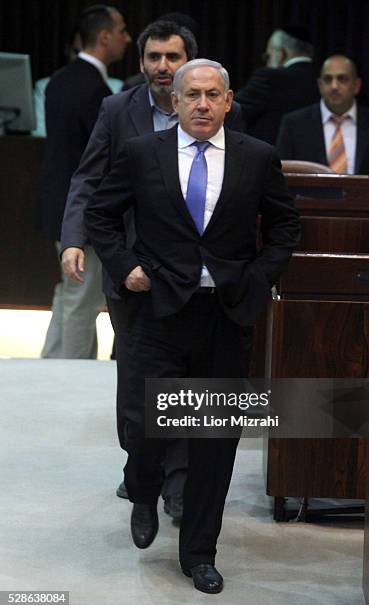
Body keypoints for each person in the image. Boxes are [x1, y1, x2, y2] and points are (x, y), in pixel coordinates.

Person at [84, 58, 300, 594]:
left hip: (224, 315)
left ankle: (200, 552)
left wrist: (256, 278)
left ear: (229, 101)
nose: (202, 104)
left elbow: (284, 225)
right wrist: (124, 266)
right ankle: (143, 489)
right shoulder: (141, 154)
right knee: (145, 426)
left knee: (214, 439)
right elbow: (101, 214)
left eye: (212, 95)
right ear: (174, 103)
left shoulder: (257, 157)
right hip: (157, 312)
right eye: (192, 95)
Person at [60, 20, 244, 515]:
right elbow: (88, 179)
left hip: (194, 274)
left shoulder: (222, 111)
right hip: (132, 269)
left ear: (192, 62)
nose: (163, 67)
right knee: (137, 381)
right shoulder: (118, 110)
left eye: (173, 57)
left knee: (186, 379)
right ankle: (142, 463)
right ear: (140, 62)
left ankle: (177, 483)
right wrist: (74, 240)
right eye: (154, 57)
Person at [39, 5, 131, 359]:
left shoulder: (59, 79)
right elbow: (97, 162)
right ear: (104, 36)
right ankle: (70, 378)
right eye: (122, 30)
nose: (126, 38)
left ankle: (50, 366)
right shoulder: (96, 89)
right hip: (83, 211)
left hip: (56, 204)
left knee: (68, 292)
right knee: (82, 297)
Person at [276, 54, 369, 174]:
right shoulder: (294, 124)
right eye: (328, 79)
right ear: (320, 85)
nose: (334, 86)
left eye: (342, 79)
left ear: (357, 85)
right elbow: (283, 175)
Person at [235, 25, 319, 144]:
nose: (267, 62)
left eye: (268, 56)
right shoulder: (324, 79)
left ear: (282, 53)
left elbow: (231, 110)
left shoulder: (270, 78)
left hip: (271, 158)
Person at [32, 29, 123, 138]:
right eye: (77, 52)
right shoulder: (47, 85)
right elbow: (39, 132)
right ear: (67, 50)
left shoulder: (117, 87)